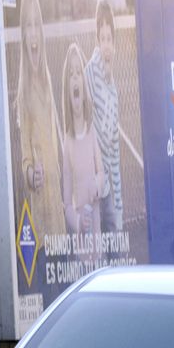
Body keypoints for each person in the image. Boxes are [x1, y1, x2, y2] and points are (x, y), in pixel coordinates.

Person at [15, 0, 65, 240]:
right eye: (28, 26)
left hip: (58, 203)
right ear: (23, 33)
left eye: (37, 24)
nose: (33, 33)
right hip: (41, 207)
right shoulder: (23, 92)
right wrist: (30, 173)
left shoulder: (47, 79)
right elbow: (25, 155)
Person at [85, 0, 123, 234]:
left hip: (110, 181)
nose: (107, 45)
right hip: (94, 181)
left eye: (110, 39)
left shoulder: (112, 83)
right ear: (97, 40)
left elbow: (114, 143)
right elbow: (100, 129)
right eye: (103, 39)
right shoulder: (91, 73)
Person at [59, 42, 101, 249]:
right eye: (71, 74)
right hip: (82, 243)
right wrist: (77, 222)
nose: (76, 77)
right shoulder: (67, 142)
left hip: (97, 236)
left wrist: (96, 184)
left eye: (79, 73)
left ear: (83, 86)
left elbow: (102, 174)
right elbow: (67, 204)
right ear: (68, 90)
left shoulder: (92, 131)